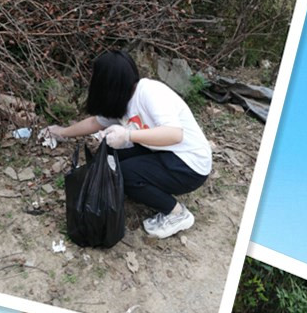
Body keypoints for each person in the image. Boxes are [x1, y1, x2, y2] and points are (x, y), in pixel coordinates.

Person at [44, 50, 212, 239]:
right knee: (112, 159)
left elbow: (174, 134)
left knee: (125, 174)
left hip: (190, 165)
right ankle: (139, 187)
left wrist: (128, 135)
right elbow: (95, 122)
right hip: (166, 152)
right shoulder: (121, 99)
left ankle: (176, 213)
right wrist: (61, 132)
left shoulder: (149, 93)